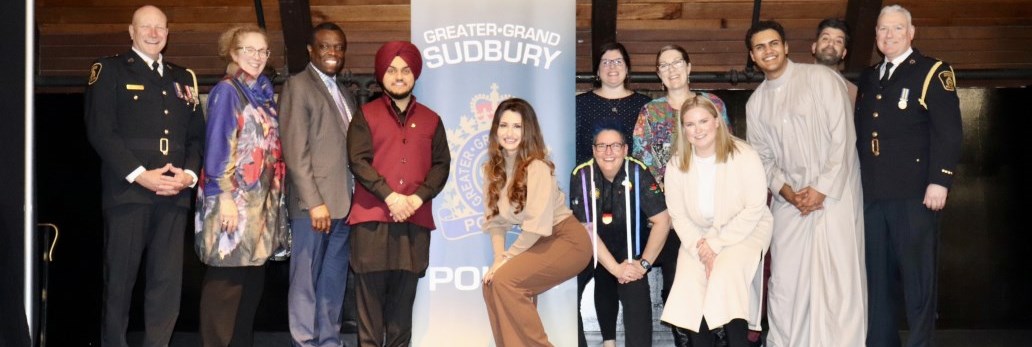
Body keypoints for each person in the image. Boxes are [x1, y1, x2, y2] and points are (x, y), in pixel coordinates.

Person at [84, 5, 204, 347]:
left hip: (174, 194)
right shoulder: (109, 70)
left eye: (161, 28)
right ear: (131, 31)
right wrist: (140, 175)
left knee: (167, 285)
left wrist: (189, 176)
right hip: (129, 194)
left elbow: (197, 137)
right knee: (120, 283)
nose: (154, 34)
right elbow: (101, 132)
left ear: (168, 33)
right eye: (146, 27)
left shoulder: (184, 78)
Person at [744, 20, 867, 346]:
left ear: (786, 47)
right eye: (760, 47)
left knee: (836, 282)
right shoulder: (755, 103)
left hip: (834, 198)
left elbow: (843, 138)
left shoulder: (822, 79)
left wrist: (821, 189)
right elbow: (763, 160)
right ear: (753, 57)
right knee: (786, 284)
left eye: (773, 44)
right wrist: (788, 192)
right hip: (790, 205)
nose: (767, 51)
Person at [856, 5, 963, 347]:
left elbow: (949, 132)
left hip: (914, 194)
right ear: (875, 35)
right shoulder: (871, 76)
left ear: (911, 33)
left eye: (897, 29)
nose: (889, 35)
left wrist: (940, 180)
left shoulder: (932, 71)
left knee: (918, 281)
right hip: (872, 194)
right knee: (878, 280)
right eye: (882, 29)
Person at [347, 41, 451, 347]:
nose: (399, 76)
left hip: (414, 225)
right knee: (368, 317)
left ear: (415, 74)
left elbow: (441, 165)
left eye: (406, 70)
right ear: (381, 75)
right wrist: (391, 197)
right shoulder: (364, 115)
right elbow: (357, 161)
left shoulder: (432, 119)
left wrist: (416, 199)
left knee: (401, 317)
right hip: (371, 223)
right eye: (392, 70)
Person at [631, 44, 730, 346]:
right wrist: (661, 212)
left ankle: (719, 335)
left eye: (677, 63)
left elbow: (726, 153)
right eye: (664, 65)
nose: (672, 69)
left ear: (689, 67)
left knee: (716, 279)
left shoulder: (713, 103)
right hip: (670, 216)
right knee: (677, 283)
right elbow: (641, 164)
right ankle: (685, 338)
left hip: (713, 212)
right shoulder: (650, 112)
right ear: (659, 75)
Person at [194, 24, 284, 347]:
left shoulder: (263, 94)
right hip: (232, 205)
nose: (257, 57)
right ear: (233, 53)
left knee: (249, 292)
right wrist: (225, 198)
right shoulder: (227, 91)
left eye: (263, 51)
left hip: (260, 210)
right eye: (249, 50)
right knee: (225, 290)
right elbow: (218, 146)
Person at [481, 98, 592, 346]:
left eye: (517, 127)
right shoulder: (492, 169)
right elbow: (495, 222)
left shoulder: (537, 166)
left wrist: (507, 260)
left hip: (567, 240)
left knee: (506, 281)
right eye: (504, 125)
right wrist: (499, 258)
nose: (509, 133)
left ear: (528, 130)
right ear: (495, 129)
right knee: (491, 285)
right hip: (539, 241)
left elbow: (536, 225)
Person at [663, 95, 773, 347]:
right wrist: (703, 249)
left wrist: (716, 244)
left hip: (747, 228)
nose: (697, 129)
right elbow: (678, 215)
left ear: (716, 122)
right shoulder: (676, 165)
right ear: (683, 129)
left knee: (726, 274)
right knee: (689, 281)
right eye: (690, 124)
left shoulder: (744, 154)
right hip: (698, 237)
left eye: (703, 121)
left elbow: (755, 207)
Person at [279, 22, 359, 347]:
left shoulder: (344, 93)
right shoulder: (298, 86)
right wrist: (314, 202)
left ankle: (329, 341)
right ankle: (304, 341)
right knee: (305, 283)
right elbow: (295, 151)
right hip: (314, 208)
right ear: (311, 50)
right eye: (326, 46)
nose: (333, 53)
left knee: (333, 281)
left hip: (344, 205)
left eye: (338, 47)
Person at [569, 122, 671, 347]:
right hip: (590, 249)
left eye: (615, 146)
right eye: (602, 146)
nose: (608, 152)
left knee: (637, 296)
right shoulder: (581, 175)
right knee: (567, 290)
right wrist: (615, 268)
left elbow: (662, 220)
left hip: (629, 252)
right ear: (594, 150)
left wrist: (643, 265)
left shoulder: (638, 172)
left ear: (625, 149)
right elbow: (586, 229)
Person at [574, 42, 652, 164]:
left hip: (636, 179)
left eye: (618, 62)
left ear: (627, 69)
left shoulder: (645, 105)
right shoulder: (580, 104)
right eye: (605, 62)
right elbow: (574, 150)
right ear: (598, 71)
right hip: (589, 178)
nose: (612, 67)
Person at [812, 18, 858, 103]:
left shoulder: (852, 93)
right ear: (814, 47)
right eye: (825, 38)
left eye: (838, 41)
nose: (831, 44)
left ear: (844, 53)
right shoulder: (793, 82)